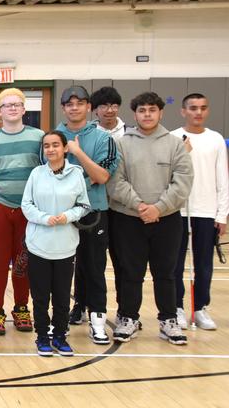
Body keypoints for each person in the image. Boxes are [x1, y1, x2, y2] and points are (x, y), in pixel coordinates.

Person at [108, 91, 193, 345]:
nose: (147, 114)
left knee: (165, 272)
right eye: (142, 110)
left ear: (160, 112)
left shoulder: (175, 144)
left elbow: (183, 181)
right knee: (130, 272)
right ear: (134, 114)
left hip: (166, 220)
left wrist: (159, 207)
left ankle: (168, 320)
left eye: (152, 110)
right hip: (128, 218)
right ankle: (128, 318)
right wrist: (140, 205)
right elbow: (116, 181)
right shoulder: (122, 144)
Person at [0, 88, 43, 336]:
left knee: (23, 262)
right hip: (1, 207)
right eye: (7, 105)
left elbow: (46, 175)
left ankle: (22, 308)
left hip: (30, 210)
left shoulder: (39, 138)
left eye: (17, 104)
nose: (12, 108)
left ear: (24, 109)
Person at [56, 86, 119, 345]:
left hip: (94, 212)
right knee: (60, 270)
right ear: (63, 108)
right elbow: (49, 176)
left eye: (80, 102)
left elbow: (102, 176)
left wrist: (78, 152)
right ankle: (60, 321)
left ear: (88, 107)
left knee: (94, 268)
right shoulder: (53, 137)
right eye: (69, 103)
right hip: (61, 215)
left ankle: (98, 321)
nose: (74, 107)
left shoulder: (104, 139)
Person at [21, 131, 90, 357]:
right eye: (47, 146)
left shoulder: (76, 174)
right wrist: (44, 218)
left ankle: (60, 336)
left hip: (65, 246)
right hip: (38, 244)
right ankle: (42, 336)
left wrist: (67, 216)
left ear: (65, 148)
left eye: (55, 145)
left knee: (61, 296)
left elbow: (83, 206)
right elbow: (27, 205)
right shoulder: (36, 173)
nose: (51, 150)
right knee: (40, 296)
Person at [171, 93, 229, 330]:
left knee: (204, 262)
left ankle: (200, 307)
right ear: (183, 111)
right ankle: (177, 308)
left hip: (206, 210)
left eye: (203, 108)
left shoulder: (215, 139)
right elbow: (169, 174)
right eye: (193, 108)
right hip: (178, 210)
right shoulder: (173, 137)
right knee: (174, 263)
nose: (198, 112)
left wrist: (222, 213)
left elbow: (222, 179)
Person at [89, 86, 128, 325]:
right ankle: (82, 306)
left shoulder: (130, 135)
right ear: (95, 110)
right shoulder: (87, 134)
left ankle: (125, 310)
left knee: (123, 261)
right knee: (90, 262)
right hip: (96, 206)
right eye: (103, 106)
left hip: (123, 208)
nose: (109, 110)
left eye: (113, 105)